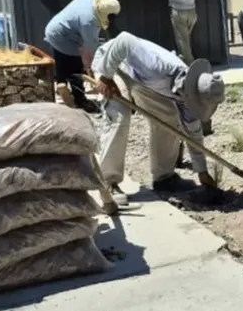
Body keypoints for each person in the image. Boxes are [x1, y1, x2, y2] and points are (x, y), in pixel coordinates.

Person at [91, 31, 225, 214]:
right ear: (187, 90)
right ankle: (109, 183)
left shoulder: (188, 101)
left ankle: (164, 178)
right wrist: (105, 77)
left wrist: (202, 172)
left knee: (168, 118)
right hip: (116, 65)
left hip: (143, 81)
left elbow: (193, 134)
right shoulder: (159, 64)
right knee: (121, 117)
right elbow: (124, 40)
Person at [44, 0, 120, 114]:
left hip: (56, 26)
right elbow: (93, 50)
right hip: (61, 35)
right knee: (76, 65)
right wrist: (100, 74)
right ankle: (80, 100)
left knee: (63, 58)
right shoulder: (89, 22)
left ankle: (61, 83)